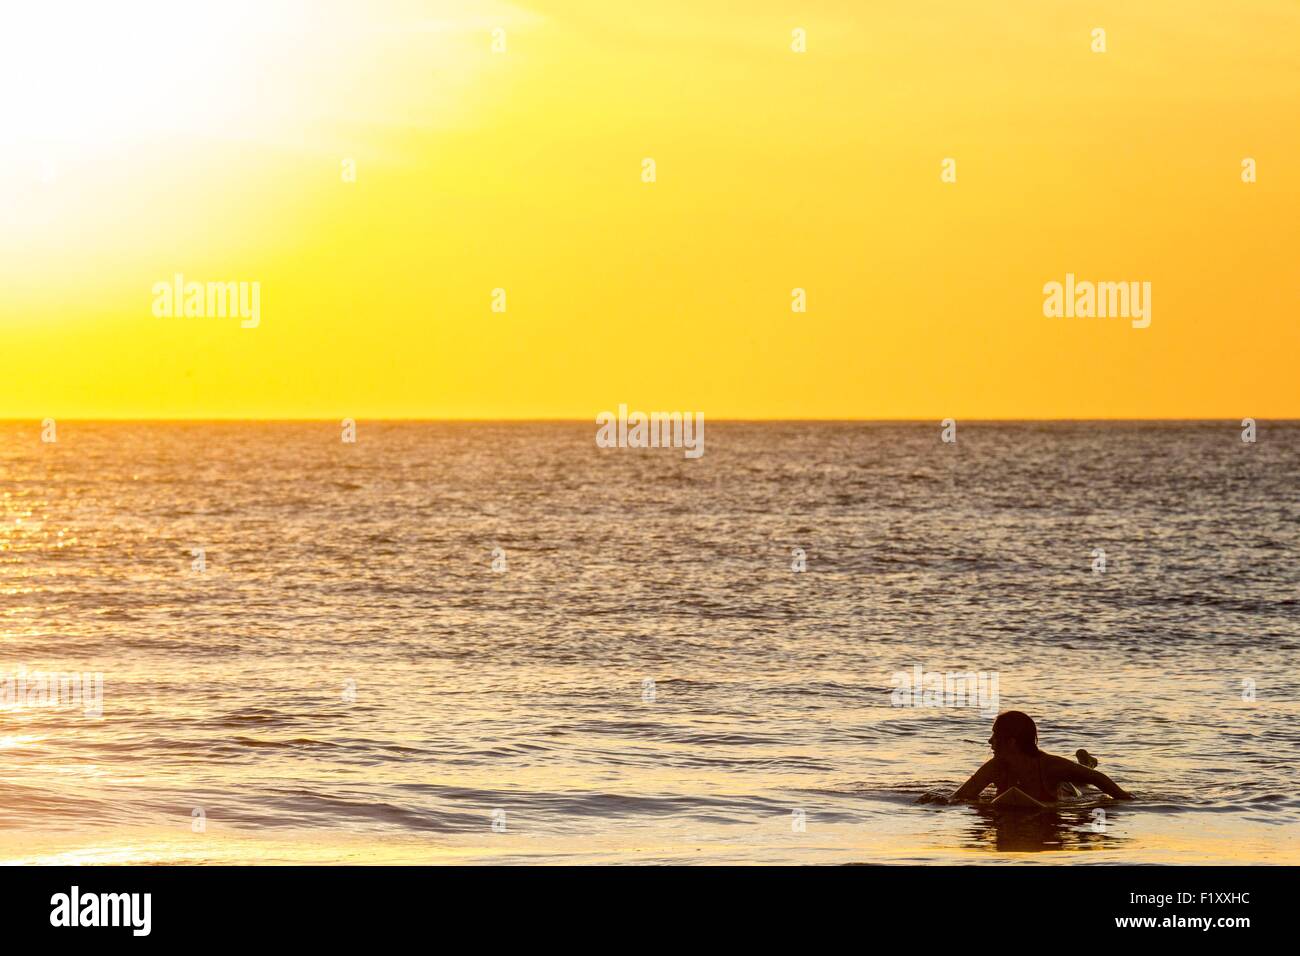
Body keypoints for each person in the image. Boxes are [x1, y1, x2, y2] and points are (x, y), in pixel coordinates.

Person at [953, 711, 1134, 802]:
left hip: (1067, 792)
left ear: (1012, 742)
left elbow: (1097, 778)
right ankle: (1085, 763)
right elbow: (960, 797)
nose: (989, 741)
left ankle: (1086, 763)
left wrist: (1125, 798)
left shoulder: (1050, 765)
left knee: (1082, 785)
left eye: (994, 735)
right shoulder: (996, 766)